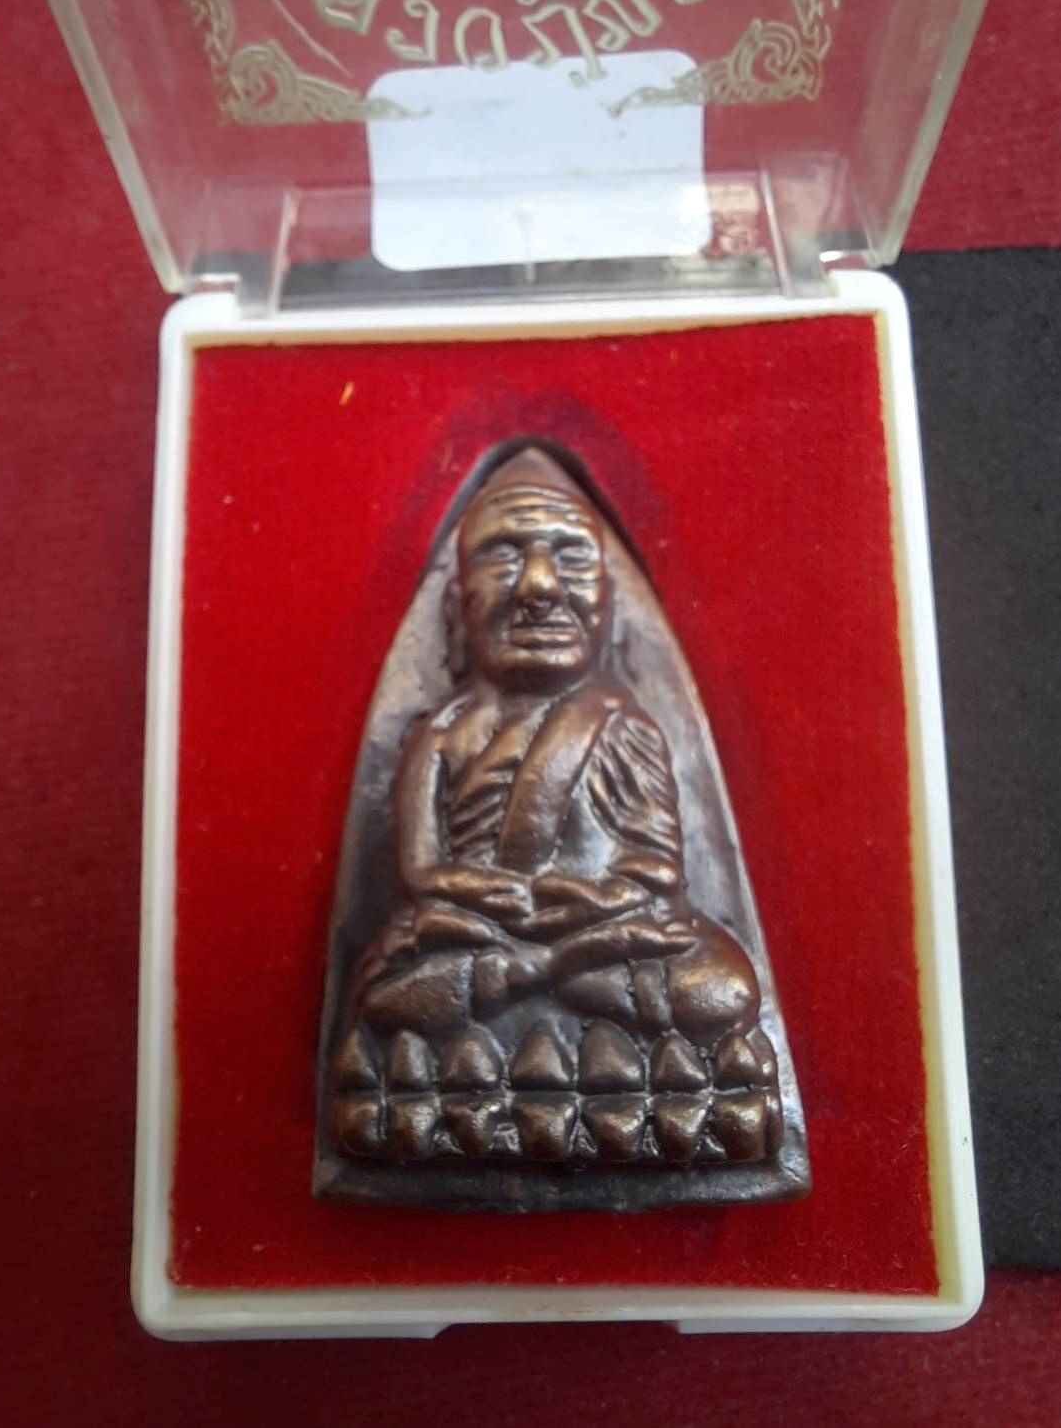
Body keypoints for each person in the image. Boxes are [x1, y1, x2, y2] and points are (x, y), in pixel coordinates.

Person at [333, 450, 778, 1164]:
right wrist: (491, 899)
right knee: (383, 991)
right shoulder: (440, 733)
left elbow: (656, 872)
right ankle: (546, 993)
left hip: (595, 936)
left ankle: (527, 993)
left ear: (609, 608)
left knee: (721, 986)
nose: (538, 586)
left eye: (568, 558)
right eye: (504, 557)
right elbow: (420, 873)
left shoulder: (622, 722)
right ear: (457, 605)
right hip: (482, 932)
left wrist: (587, 901)